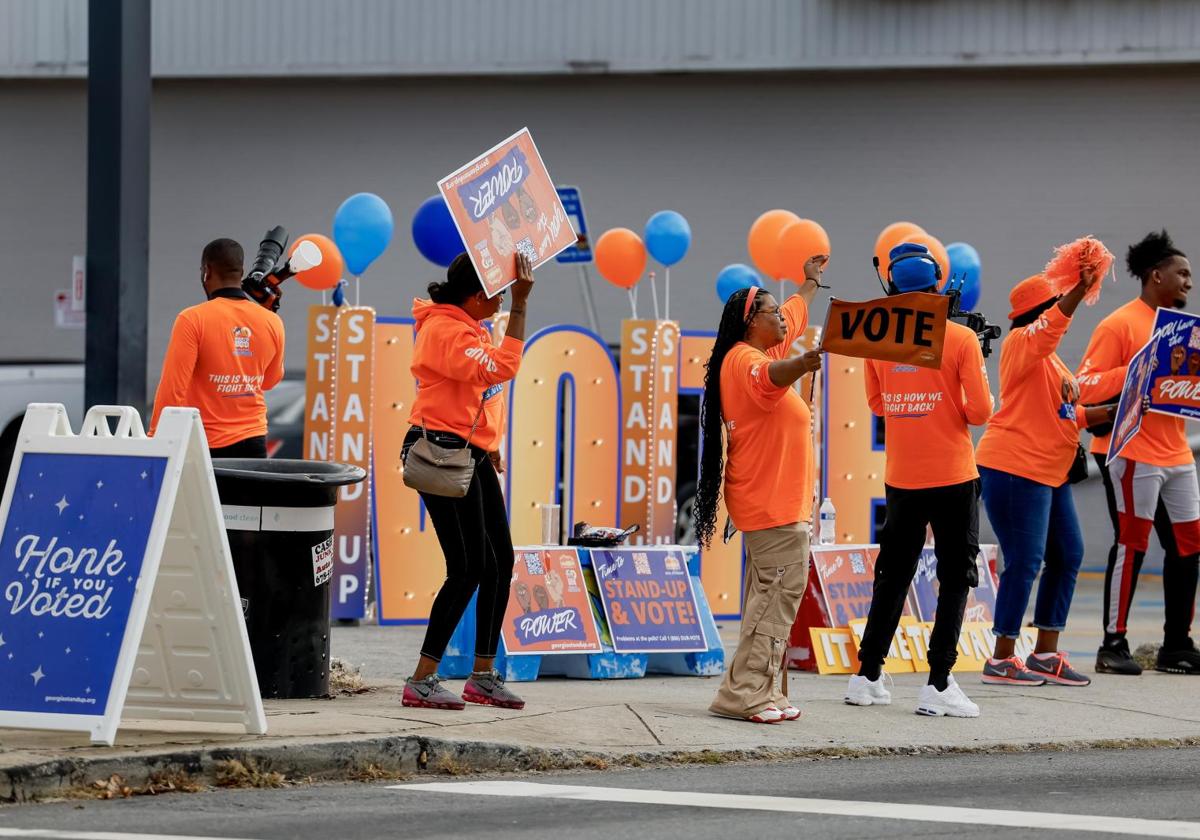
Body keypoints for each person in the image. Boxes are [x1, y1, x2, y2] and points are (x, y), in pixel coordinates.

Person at [846, 242, 994, 717]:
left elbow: (876, 405)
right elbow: (980, 411)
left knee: (892, 576)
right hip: (952, 474)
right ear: (936, 285)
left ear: (891, 286)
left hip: (903, 476)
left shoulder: (878, 342)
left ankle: (866, 675)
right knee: (955, 577)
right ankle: (939, 682)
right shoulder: (962, 339)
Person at [694, 255, 827, 724]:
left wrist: (809, 283)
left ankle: (766, 690)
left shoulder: (760, 347)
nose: (781, 320)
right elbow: (771, 378)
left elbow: (793, 311)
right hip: (771, 504)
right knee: (774, 602)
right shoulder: (748, 361)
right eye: (771, 314)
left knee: (774, 600)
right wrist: (801, 363)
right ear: (753, 322)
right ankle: (743, 696)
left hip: (776, 503)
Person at [400, 252, 535, 710]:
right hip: (441, 454)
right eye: (496, 295)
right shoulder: (445, 330)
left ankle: (482, 675)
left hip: (469, 452)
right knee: (468, 567)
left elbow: (479, 391)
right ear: (476, 297)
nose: (500, 301)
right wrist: (520, 304)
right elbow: (500, 370)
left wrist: (489, 440)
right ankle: (422, 678)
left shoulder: (468, 326)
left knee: (501, 561)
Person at [975, 270, 1114, 687]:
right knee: (1025, 560)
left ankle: (1045, 653)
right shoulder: (1023, 344)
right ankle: (1001, 658)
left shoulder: (1049, 361)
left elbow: (1059, 415)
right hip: (1015, 466)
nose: (1059, 308)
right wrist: (1076, 293)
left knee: (1068, 554)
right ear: (1041, 310)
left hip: (1048, 471)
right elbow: (1050, 328)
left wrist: (1103, 414)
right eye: (1052, 303)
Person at [1077, 230, 1200, 675]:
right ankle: (1113, 645)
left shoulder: (1185, 331)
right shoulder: (1120, 324)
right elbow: (1084, 386)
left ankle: (1177, 645)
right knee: (1133, 546)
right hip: (1131, 450)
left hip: (1178, 454)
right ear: (1156, 276)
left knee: (1189, 547)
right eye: (1182, 273)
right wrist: (1137, 369)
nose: (1189, 281)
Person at [150, 238, 285, 458]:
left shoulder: (192, 319)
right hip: (254, 442)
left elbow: (172, 388)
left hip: (205, 444)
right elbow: (270, 381)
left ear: (207, 271)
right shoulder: (272, 321)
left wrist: (156, 438)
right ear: (241, 273)